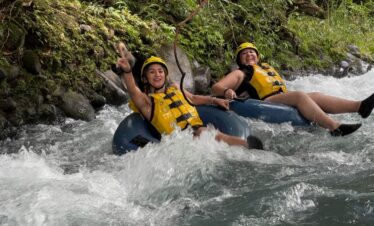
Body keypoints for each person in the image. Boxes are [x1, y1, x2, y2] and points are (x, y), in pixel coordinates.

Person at [115, 44, 264, 149]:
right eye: (152, 72)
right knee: (203, 132)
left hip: (194, 134)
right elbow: (133, 90)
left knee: (201, 131)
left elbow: (192, 98)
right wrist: (127, 71)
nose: (157, 75)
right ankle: (245, 145)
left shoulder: (174, 88)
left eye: (160, 71)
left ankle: (243, 145)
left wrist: (215, 99)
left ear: (165, 75)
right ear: (146, 78)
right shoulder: (147, 103)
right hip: (179, 143)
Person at [212, 42, 374, 136]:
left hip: (282, 98)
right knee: (299, 95)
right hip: (266, 102)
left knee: (315, 95)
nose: (249, 55)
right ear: (240, 60)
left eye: (252, 52)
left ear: (257, 56)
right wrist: (226, 91)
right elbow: (216, 87)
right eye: (244, 53)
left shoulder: (266, 68)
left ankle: (360, 107)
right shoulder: (240, 72)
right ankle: (334, 127)